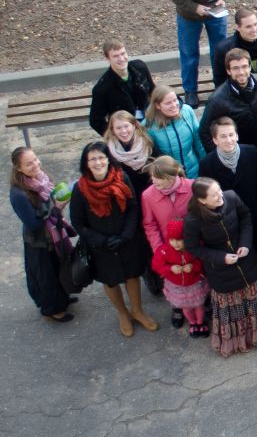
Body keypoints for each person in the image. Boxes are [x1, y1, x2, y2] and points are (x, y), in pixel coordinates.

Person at [183, 178, 257, 356]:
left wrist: (245, 243)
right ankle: (242, 339)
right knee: (234, 310)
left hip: (247, 261)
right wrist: (221, 257)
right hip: (221, 271)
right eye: (214, 195)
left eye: (219, 190)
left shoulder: (231, 197)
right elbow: (193, 248)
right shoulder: (192, 220)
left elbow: (246, 218)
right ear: (202, 200)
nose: (220, 196)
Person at [68, 142, 157, 336]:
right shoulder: (80, 189)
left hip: (126, 240)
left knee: (132, 275)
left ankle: (137, 311)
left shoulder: (122, 178)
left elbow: (133, 207)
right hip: (100, 246)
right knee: (110, 281)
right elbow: (77, 222)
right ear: (86, 163)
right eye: (92, 159)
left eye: (101, 157)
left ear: (109, 159)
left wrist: (126, 235)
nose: (98, 162)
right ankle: (123, 313)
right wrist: (100, 240)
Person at [198, 118, 257, 287]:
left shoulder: (251, 152)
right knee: (248, 260)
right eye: (223, 136)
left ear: (237, 135)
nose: (228, 140)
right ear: (215, 140)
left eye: (231, 135)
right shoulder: (207, 164)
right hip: (232, 222)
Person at [9, 147, 75, 323]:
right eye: (29, 163)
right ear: (19, 168)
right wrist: (56, 208)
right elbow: (34, 224)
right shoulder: (18, 194)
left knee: (59, 268)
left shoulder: (41, 179)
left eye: (35, 159)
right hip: (39, 242)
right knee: (47, 277)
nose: (36, 164)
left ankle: (63, 298)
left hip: (53, 235)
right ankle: (53, 310)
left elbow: (49, 200)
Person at [165, 0, 234, 107]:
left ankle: (221, 85)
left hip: (215, 13)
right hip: (189, 16)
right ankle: (190, 90)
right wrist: (195, 7)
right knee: (189, 53)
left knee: (220, 50)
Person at [140, 156, 194, 329]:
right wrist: (158, 249)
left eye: (159, 180)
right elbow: (150, 224)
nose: (154, 183)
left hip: (192, 244)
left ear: (172, 176)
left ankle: (201, 302)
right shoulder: (148, 195)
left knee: (195, 275)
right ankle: (177, 308)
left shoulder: (192, 187)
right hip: (167, 247)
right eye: (153, 180)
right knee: (173, 280)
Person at [198, 48, 257, 153]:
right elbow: (204, 132)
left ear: (250, 67)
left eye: (244, 66)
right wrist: (220, 156)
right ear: (228, 71)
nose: (241, 72)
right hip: (241, 153)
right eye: (235, 68)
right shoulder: (217, 99)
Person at [150, 219, 209, 339]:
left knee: (199, 305)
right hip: (177, 286)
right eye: (172, 240)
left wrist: (193, 266)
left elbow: (202, 261)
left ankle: (200, 322)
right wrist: (170, 268)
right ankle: (192, 323)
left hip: (194, 283)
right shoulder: (164, 250)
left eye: (179, 240)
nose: (175, 243)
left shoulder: (194, 248)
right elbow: (156, 265)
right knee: (186, 307)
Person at [89, 40, 156, 135]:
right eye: (115, 56)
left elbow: (154, 92)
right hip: (128, 132)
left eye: (123, 53)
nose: (121, 59)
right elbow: (95, 121)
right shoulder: (102, 88)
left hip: (151, 122)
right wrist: (116, 136)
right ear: (108, 59)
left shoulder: (140, 67)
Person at [146, 86, 205, 176]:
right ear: (158, 105)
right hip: (170, 176)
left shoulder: (187, 111)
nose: (174, 105)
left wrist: (205, 164)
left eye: (175, 100)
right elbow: (152, 157)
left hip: (194, 170)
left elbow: (198, 141)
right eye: (168, 103)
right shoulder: (148, 126)